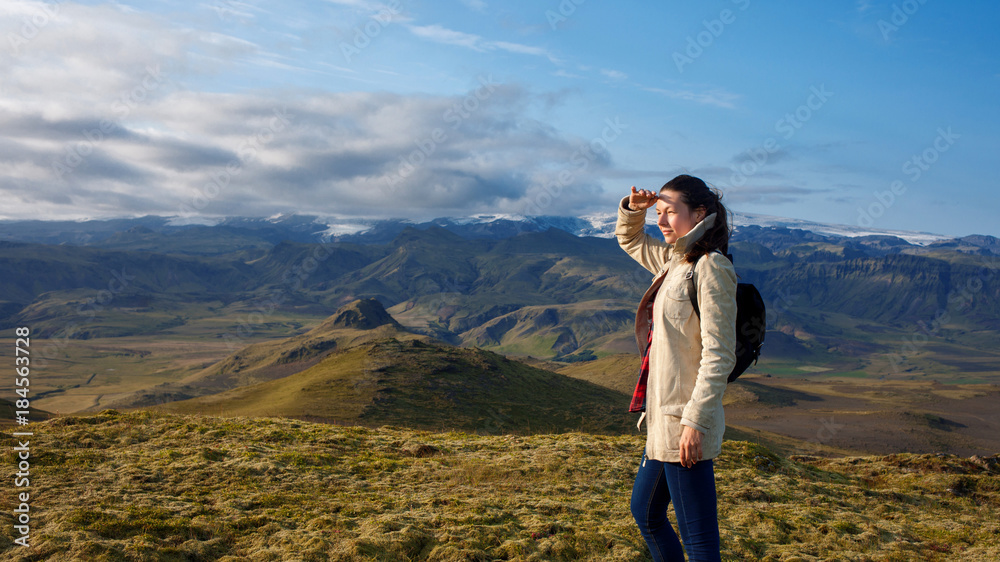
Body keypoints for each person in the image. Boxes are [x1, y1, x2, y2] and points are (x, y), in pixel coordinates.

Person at [615, 174, 737, 561]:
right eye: (660, 213)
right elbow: (631, 240)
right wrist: (635, 211)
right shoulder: (674, 259)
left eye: (672, 213)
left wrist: (695, 422)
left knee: (699, 542)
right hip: (662, 421)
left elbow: (719, 354)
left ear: (700, 213)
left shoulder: (709, 268)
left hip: (684, 426)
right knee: (646, 513)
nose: (662, 221)